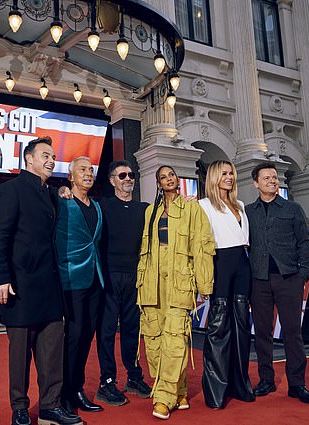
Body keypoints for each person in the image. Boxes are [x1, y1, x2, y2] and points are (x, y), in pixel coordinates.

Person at [0, 136, 82, 425]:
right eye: (45, 155)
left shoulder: (51, 193)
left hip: (50, 287)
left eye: (53, 156)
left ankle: (51, 405)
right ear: (29, 159)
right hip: (19, 286)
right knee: (20, 354)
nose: (51, 160)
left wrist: (65, 190)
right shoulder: (11, 190)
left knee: (52, 351)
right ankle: (19, 407)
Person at [137, 165, 215, 420]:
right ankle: (179, 390)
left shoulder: (193, 209)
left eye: (171, 175)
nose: (168, 179)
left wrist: (205, 286)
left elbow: (203, 247)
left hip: (180, 281)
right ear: (158, 183)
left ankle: (164, 396)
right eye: (163, 177)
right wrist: (140, 282)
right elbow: (144, 249)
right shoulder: (151, 211)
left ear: (177, 180)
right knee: (154, 338)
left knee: (175, 338)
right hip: (151, 283)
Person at [246, 162, 309, 405]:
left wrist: (303, 273)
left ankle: (297, 384)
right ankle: (265, 379)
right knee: (262, 333)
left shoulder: (293, 208)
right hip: (258, 280)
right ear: (256, 183)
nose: (272, 181)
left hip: (289, 279)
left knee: (292, 333)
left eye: (274, 178)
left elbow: (305, 242)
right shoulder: (247, 212)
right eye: (266, 178)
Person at [199, 160, 255, 409]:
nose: (230, 177)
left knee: (242, 328)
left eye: (231, 173)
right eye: (224, 173)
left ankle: (240, 384)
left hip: (243, 265)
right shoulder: (203, 205)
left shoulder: (240, 204)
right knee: (219, 330)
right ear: (213, 177)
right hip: (220, 264)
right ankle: (216, 390)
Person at [96, 160, 152, 407]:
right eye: (122, 175)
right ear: (112, 181)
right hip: (108, 278)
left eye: (131, 175)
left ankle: (134, 378)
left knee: (132, 331)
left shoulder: (144, 209)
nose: (128, 178)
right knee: (107, 332)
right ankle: (107, 382)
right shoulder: (102, 206)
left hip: (135, 278)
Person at [55, 156, 104, 414]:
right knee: (73, 336)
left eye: (91, 170)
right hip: (71, 278)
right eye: (82, 170)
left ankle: (77, 389)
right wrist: (58, 190)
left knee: (87, 334)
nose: (88, 173)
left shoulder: (96, 205)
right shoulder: (61, 200)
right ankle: (64, 393)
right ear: (70, 177)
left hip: (96, 278)